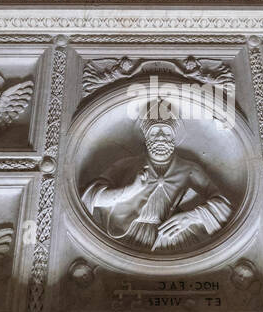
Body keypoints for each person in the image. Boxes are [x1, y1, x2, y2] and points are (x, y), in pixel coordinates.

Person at [80, 103, 231, 251]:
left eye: (166, 132)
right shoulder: (128, 165)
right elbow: (91, 198)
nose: (160, 137)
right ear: (146, 138)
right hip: (130, 238)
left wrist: (191, 217)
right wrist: (130, 190)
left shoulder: (189, 169)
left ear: (173, 137)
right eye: (154, 132)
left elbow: (224, 206)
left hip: (174, 237)